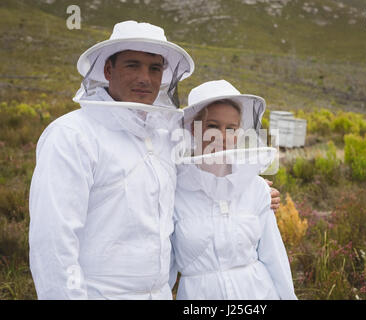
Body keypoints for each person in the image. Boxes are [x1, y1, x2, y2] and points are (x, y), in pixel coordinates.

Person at [28, 21, 280, 300]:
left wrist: (249, 185)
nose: (144, 78)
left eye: (154, 68)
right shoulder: (72, 135)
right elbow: (52, 241)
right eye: (132, 65)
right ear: (108, 70)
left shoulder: (164, 136)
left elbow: (203, 170)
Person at [170, 80, 297, 300]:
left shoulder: (256, 188)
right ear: (194, 128)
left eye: (231, 128)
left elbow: (274, 258)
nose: (222, 136)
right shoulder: (174, 191)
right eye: (212, 126)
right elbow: (162, 270)